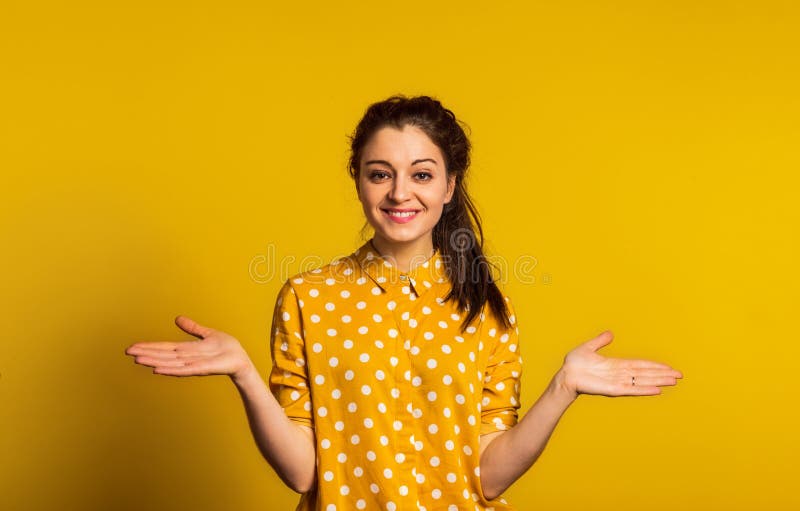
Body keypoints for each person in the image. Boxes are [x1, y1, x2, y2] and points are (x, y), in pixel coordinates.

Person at [125, 95, 683, 511]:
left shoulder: (484, 304)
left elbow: (489, 477)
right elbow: (302, 473)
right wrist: (244, 373)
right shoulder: (307, 298)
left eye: (421, 174)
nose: (399, 193)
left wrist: (564, 388)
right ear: (359, 182)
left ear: (448, 185)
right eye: (379, 174)